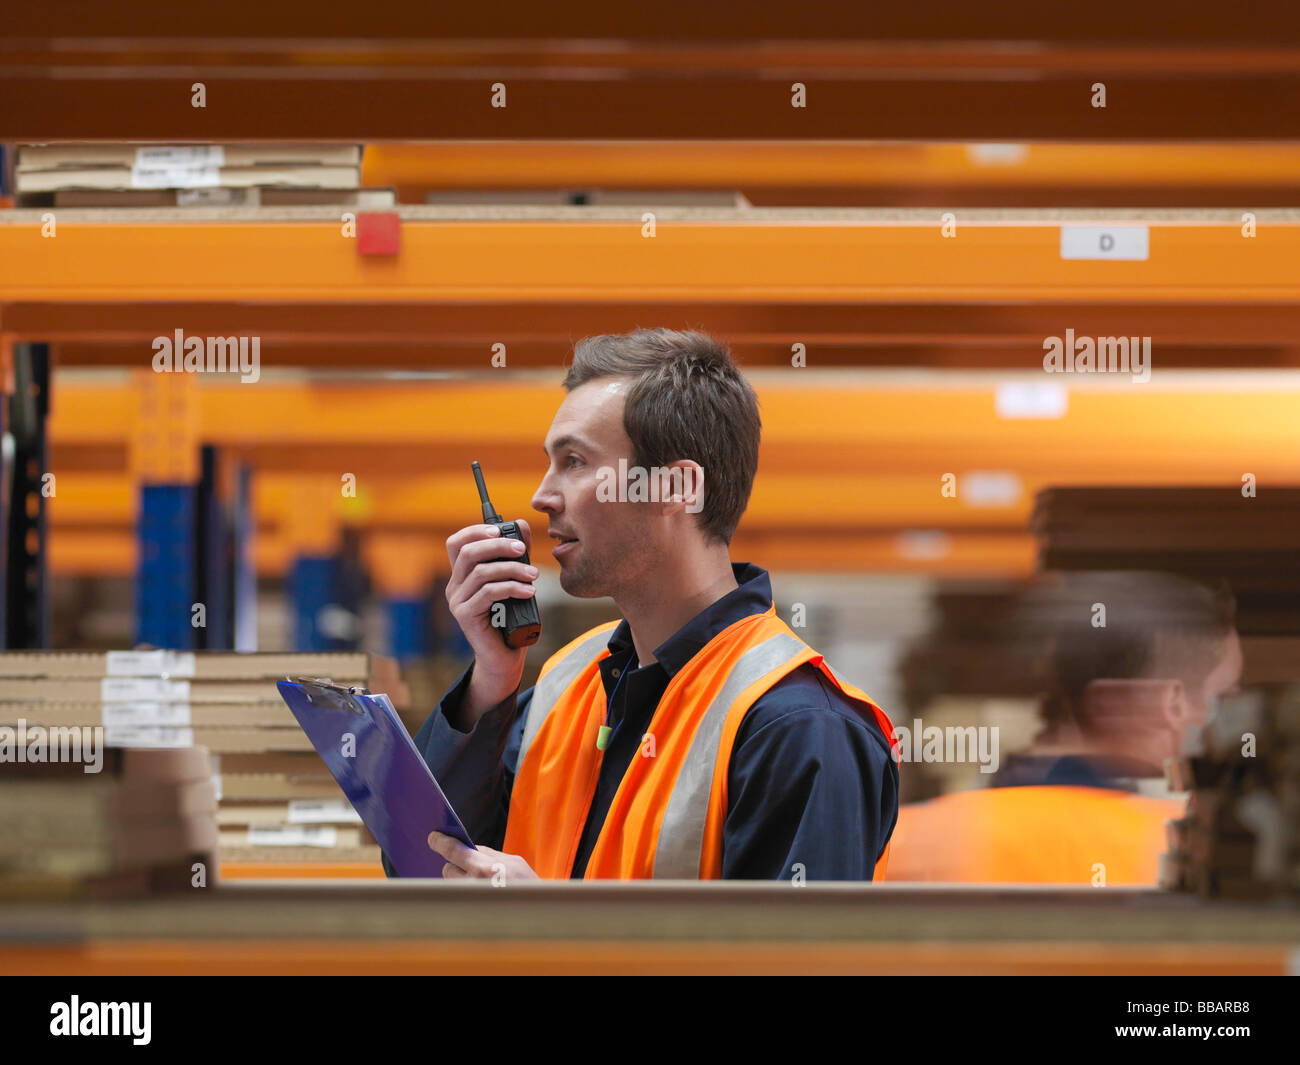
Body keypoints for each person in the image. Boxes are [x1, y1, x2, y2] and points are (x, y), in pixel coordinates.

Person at [384, 328, 898, 881]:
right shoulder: (566, 685)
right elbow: (418, 861)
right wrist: (490, 679)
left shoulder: (799, 729)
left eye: (576, 462)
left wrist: (551, 931)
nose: (542, 495)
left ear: (677, 488)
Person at [889, 571, 1242, 883]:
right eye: (1219, 697)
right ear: (1167, 703)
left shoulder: (911, 837)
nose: (1211, 721)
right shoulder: (1171, 851)